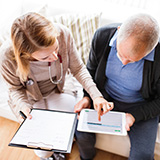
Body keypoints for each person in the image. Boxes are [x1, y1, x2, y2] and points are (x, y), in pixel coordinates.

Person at [0, 12, 113, 160]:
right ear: (25, 54)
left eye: (56, 48)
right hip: (31, 99)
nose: (54, 57)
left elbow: (78, 68)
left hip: (60, 89)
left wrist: (96, 95)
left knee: (66, 130)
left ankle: (61, 149)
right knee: (43, 149)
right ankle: (50, 156)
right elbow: (14, 89)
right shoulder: (7, 57)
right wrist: (23, 107)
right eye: (45, 57)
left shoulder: (63, 33)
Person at [74, 13, 160, 160]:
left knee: (143, 156)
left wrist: (135, 116)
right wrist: (89, 97)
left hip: (142, 105)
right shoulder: (102, 36)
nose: (124, 63)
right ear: (119, 31)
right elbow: (91, 71)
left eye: (133, 60)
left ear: (150, 50)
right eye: (121, 54)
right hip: (104, 97)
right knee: (81, 132)